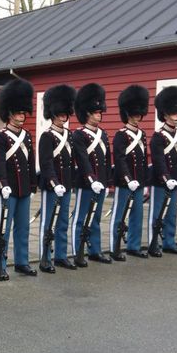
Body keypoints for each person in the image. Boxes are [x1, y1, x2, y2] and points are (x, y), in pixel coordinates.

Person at [0, 78, 38, 280]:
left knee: (23, 227)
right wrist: (3, 184)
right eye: (18, 113)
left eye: (22, 112)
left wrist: (32, 185)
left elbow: (29, 161)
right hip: (8, 188)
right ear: (9, 113)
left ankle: (22, 262)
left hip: (24, 189)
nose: (21, 116)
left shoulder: (26, 136)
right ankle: (0, 264)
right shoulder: (0, 136)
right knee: (4, 228)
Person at [71, 83, 113, 266]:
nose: (99, 114)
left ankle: (95, 250)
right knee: (81, 218)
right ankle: (77, 251)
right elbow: (82, 160)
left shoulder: (103, 134)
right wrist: (91, 179)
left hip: (100, 182)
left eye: (100, 111)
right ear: (87, 113)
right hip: (85, 183)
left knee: (95, 217)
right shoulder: (79, 135)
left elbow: (106, 159)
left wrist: (106, 180)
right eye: (96, 112)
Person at [38, 84, 78, 272]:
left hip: (67, 184)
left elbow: (72, 161)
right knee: (49, 222)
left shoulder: (69, 135)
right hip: (52, 186)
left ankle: (61, 255)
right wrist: (54, 183)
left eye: (65, 113)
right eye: (60, 113)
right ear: (53, 113)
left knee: (63, 221)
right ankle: (45, 257)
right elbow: (46, 164)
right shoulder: (47, 136)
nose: (63, 116)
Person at [110, 85, 149, 261]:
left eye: (138, 114)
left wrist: (144, 182)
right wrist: (128, 178)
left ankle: (134, 246)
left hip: (139, 181)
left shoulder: (142, 134)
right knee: (120, 215)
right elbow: (119, 159)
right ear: (127, 114)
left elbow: (143, 160)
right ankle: (115, 247)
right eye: (133, 114)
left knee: (137, 216)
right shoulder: (121, 135)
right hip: (125, 182)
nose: (137, 118)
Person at [148, 86, 177, 256]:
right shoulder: (158, 136)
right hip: (160, 181)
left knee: (171, 213)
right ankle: (153, 242)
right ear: (165, 114)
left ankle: (169, 242)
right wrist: (166, 177)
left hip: (175, 180)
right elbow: (158, 160)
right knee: (157, 214)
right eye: (173, 112)